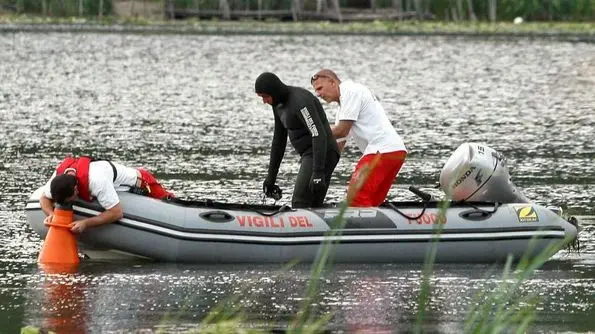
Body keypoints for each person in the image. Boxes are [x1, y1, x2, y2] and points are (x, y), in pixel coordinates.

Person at [311, 69, 407, 207]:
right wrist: (317, 171)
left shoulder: (350, 91)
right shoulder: (342, 109)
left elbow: (341, 130)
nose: (318, 94)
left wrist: (313, 132)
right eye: (316, 91)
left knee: (355, 198)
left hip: (382, 151)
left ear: (332, 82)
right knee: (371, 204)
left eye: (320, 88)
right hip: (394, 152)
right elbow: (338, 146)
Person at [255, 72, 340, 208]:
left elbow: (318, 134)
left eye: (265, 96)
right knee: (311, 204)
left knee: (300, 202)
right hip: (309, 154)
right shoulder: (277, 105)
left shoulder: (300, 101)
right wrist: (271, 178)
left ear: (274, 91)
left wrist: (318, 172)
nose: (264, 101)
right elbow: (279, 141)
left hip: (322, 152)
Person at [40, 156, 175, 233]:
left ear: (76, 190)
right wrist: (52, 215)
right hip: (114, 178)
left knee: (172, 204)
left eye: (70, 199)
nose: (70, 202)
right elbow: (43, 198)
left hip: (142, 182)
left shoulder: (97, 181)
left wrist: (86, 223)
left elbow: (116, 213)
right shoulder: (58, 178)